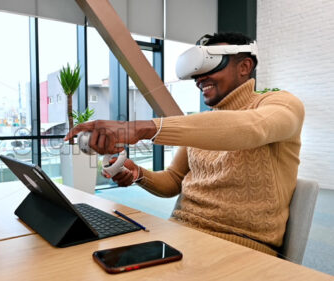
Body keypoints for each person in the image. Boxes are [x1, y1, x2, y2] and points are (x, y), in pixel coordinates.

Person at [65, 32, 305, 256]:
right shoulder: (202, 125)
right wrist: (137, 173)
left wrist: (141, 128)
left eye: (212, 65)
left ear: (244, 67)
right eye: (197, 72)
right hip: (179, 237)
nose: (200, 79)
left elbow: (253, 128)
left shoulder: (281, 104)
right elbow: (172, 181)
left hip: (240, 247)